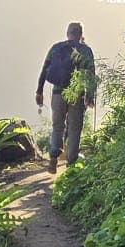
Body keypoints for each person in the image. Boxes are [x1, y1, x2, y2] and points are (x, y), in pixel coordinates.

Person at [35, 21, 96, 173]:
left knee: (57, 126)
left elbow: (44, 69)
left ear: (67, 33)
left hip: (58, 94)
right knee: (75, 129)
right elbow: (91, 75)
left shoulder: (56, 48)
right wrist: (89, 96)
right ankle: (71, 165)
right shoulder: (86, 51)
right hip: (77, 94)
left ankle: (53, 159)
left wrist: (39, 91)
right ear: (80, 35)